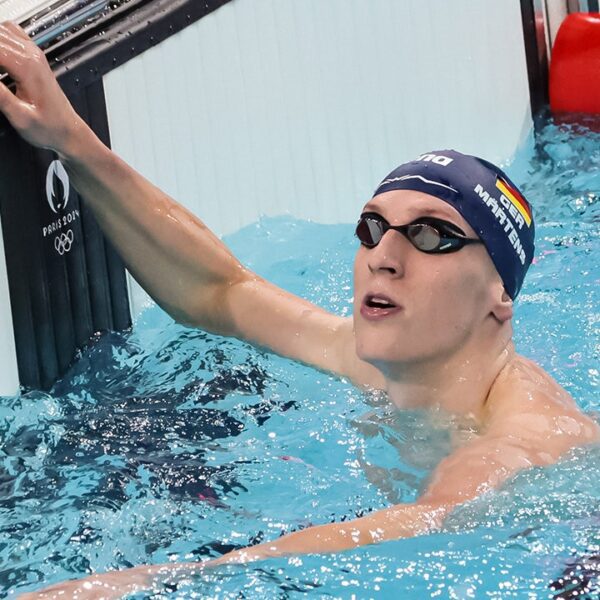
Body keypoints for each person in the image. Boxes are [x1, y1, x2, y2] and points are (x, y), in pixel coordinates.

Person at [0, 20, 596, 600]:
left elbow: (428, 523)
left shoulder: (521, 439)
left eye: (432, 236)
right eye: (372, 227)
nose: (384, 256)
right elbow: (224, 293)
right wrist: (68, 138)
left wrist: (156, 580)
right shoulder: (387, 364)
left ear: (501, 295)